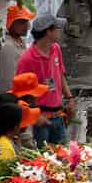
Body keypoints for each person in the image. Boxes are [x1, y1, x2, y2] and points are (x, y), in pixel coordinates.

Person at [15, 15, 75, 146]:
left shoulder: (55, 49)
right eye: (57, 28)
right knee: (43, 159)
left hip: (58, 115)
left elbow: (60, 75)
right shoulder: (27, 59)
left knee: (63, 158)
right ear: (48, 31)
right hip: (41, 120)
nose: (59, 30)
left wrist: (69, 98)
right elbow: (21, 94)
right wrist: (34, 116)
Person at [0, 5, 34, 93]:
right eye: (22, 22)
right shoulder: (7, 46)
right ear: (11, 23)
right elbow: (9, 79)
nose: (27, 26)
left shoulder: (20, 41)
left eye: (27, 22)